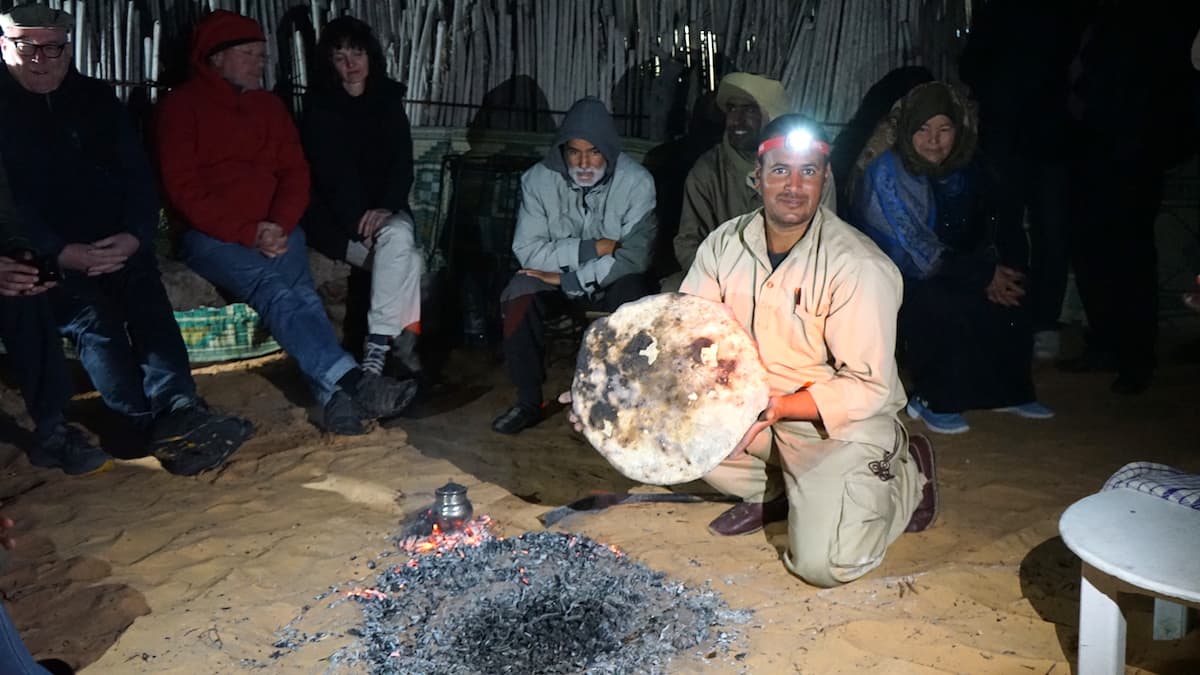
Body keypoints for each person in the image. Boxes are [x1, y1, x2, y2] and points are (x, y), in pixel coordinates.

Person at [680, 114, 936, 587]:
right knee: (673, 435)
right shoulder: (723, 245)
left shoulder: (857, 265)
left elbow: (869, 386)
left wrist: (774, 409)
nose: (794, 185)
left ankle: (904, 475)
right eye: (780, 171)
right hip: (754, 410)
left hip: (829, 426)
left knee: (824, 565)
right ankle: (790, 493)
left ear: (825, 177)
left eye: (808, 171)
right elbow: (690, 338)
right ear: (756, 178)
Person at [0, 3, 251, 476]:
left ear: (67, 49)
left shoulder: (96, 100)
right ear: (4, 47)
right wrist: (58, 251)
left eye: (52, 48)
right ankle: (143, 425)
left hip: (113, 242)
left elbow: (138, 177)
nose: (41, 59)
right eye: (26, 48)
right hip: (41, 253)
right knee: (94, 320)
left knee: (146, 299)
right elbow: (7, 206)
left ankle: (179, 409)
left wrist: (135, 235)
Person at [155, 10, 417, 435]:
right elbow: (184, 190)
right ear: (215, 58)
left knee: (300, 294)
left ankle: (337, 400)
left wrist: (278, 223)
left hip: (277, 230)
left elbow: (296, 173)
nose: (260, 63)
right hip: (213, 237)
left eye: (262, 54)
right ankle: (353, 381)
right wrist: (248, 232)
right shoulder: (181, 109)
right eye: (249, 54)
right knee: (277, 290)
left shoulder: (268, 107)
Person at [850, 82, 1053, 435]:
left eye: (944, 129)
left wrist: (996, 271)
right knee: (940, 303)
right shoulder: (886, 171)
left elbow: (994, 223)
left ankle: (1007, 392)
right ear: (908, 130)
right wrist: (979, 274)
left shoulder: (968, 167)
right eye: (923, 129)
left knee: (1011, 293)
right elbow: (910, 245)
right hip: (898, 274)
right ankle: (933, 398)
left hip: (955, 267)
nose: (934, 140)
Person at [491, 97, 657, 435]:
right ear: (562, 151)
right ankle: (528, 400)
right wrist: (591, 247)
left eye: (593, 152)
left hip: (610, 281)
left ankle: (613, 403)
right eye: (573, 151)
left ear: (608, 151)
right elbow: (528, 251)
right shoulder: (537, 180)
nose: (583, 162)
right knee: (519, 291)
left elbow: (633, 257)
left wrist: (569, 278)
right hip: (556, 279)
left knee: (635, 293)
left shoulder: (636, 183)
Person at [301, 16, 423, 376]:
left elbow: (403, 164)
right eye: (340, 56)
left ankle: (375, 347)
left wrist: (385, 206)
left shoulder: (388, 100)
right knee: (408, 260)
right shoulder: (320, 107)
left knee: (399, 238)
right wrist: (358, 218)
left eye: (357, 53)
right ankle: (397, 347)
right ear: (330, 62)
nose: (351, 64)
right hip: (335, 219)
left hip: (385, 211)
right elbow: (331, 172)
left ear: (370, 57)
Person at [669, 73, 834, 287]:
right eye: (732, 109)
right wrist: (724, 281)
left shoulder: (812, 172)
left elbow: (826, 239)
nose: (736, 120)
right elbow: (688, 242)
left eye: (749, 109)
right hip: (723, 278)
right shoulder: (708, 170)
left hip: (795, 279)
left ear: (773, 116)